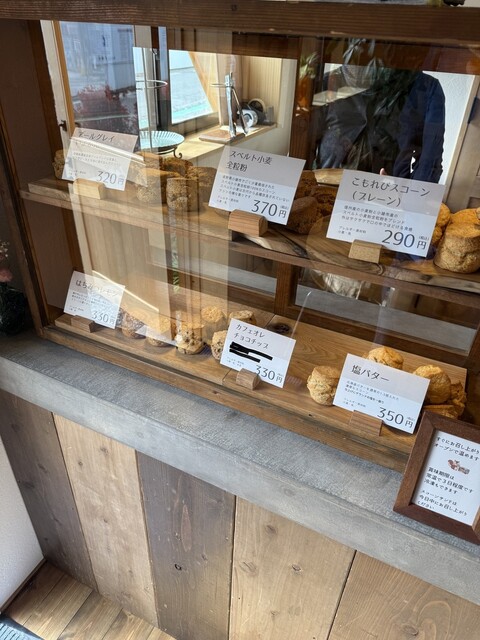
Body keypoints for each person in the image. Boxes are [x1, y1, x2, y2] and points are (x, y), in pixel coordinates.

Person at [316, 62, 445, 183]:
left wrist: (407, 194)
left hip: (388, 191)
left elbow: (429, 162)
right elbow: (309, 141)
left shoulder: (425, 88)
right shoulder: (331, 82)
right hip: (326, 186)